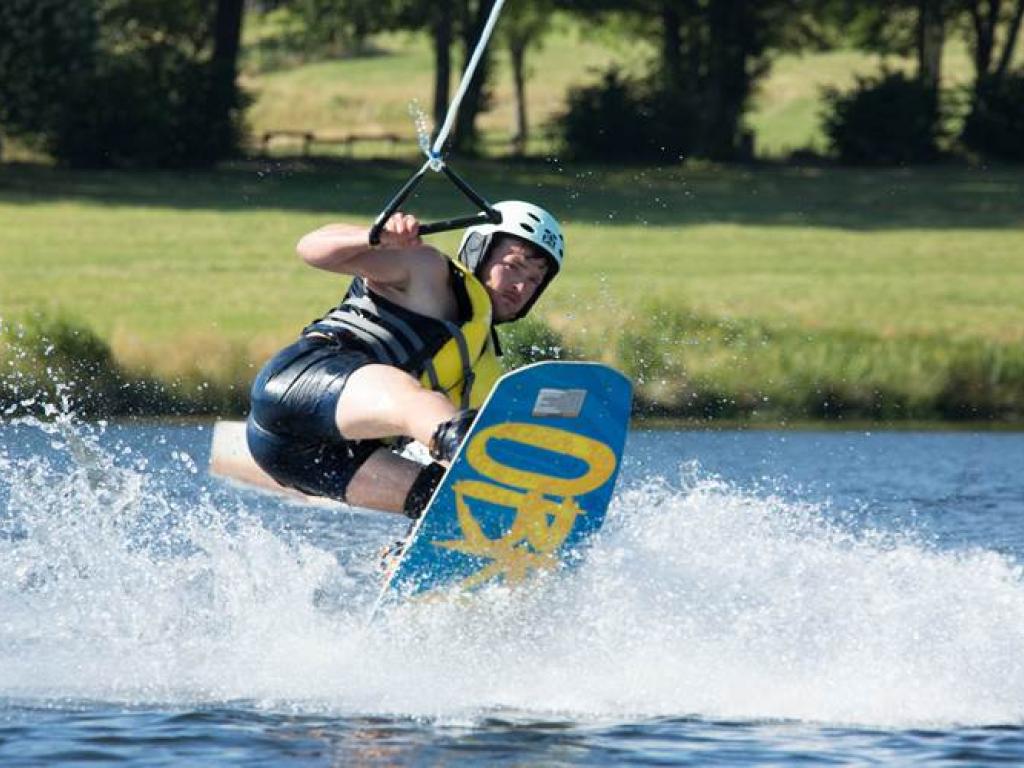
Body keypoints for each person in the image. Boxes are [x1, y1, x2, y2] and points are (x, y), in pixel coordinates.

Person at [245, 200, 565, 520]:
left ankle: (401, 562)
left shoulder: (482, 369)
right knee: (416, 403)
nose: (521, 286)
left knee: (448, 502)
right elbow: (311, 248)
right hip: (299, 380)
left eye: (535, 280)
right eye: (513, 266)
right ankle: (485, 466)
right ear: (480, 249)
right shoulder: (425, 270)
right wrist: (374, 236)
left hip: (290, 453)